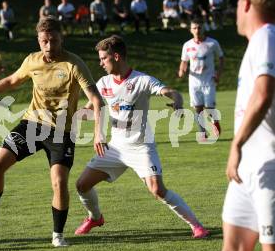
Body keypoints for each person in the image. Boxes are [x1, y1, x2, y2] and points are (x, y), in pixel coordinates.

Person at [0, 16, 106, 247]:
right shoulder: (32, 60)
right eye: (44, 41)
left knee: (58, 182)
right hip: (31, 125)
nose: (49, 46)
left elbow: (96, 100)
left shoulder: (73, 64)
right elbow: (11, 81)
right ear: (39, 40)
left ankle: (57, 235)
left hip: (61, 133)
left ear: (61, 38)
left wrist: (98, 133)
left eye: (54, 41)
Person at [74, 35, 210, 239]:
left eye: (103, 58)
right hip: (115, 148)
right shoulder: (103, 83)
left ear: (116, 56)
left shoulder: (142, 80)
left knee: (157, 189)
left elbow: (170, 91)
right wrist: (68, 115)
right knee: (82, 185)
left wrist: (178, 100)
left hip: (141, 147)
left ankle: (197, 226)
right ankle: (95, 217)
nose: (100, 63)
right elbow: (88, 110)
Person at [222, 0, 275, 251]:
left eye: (236, 7)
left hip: (270, 165)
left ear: (246, 4)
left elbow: (264, 93)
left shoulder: (267, 35)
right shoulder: (257, 43)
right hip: (247, 170)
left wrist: (236, 143)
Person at [178, 19, 224, 139]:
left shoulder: (212, 43)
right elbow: (184, 61)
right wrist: (181, 70)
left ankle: (215, 122)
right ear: (190, 30)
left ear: (203, 29)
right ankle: (202, 133)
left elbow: (221, 58)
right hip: (194, 81)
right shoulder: (187, 45)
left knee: (209, 108)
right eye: (194, 28)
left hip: (209, 79)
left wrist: (218, 73)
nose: (197, 30)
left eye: (199, 28)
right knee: (198, 107)